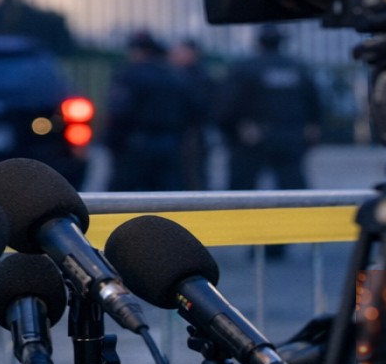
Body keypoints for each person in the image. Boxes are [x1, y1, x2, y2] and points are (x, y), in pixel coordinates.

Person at [217, 26, 321, 255]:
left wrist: (234, 130)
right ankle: (278, 242)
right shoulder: (296, 67)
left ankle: (256, 240)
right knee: (287, 192)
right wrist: (310, 129)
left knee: (250, 192)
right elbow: (314, 102)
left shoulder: (247, 67)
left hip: (255, 138)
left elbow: (228, 104)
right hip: (290, 136)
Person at [104, 30, 188, 192]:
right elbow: (189, 110)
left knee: (124, 199)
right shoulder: (173, 76)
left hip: (135, 145)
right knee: (165, 198)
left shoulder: (130, 76)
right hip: (169, 143)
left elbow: (120, 112)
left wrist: (112, 141)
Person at [169, 38, 216, 191]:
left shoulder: (196, 78)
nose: (173, 55)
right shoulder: (181, 75)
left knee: (192, 176)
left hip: (191, 134)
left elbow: (201, 107)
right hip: (183, 134)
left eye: (179, 52)